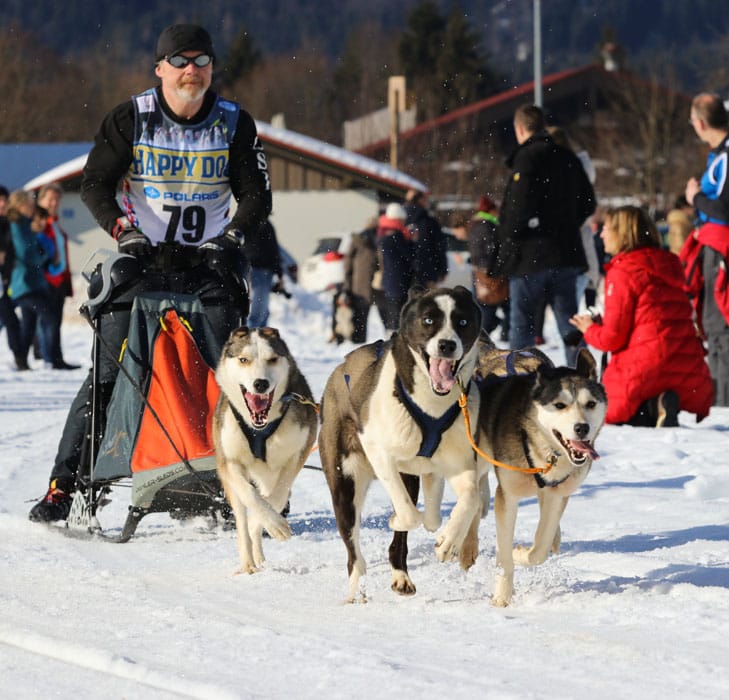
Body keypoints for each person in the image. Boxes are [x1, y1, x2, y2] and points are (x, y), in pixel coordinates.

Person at [29, 24, 272, 522]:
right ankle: (64, 486)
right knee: (108, 374)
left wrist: (232, 237)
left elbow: (257, 195)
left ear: (211, 69)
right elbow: (95, 182)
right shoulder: (131, 118)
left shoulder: (233, 123)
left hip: (207, 263)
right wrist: (122, 230)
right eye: (179, 61)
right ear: (160, 68)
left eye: (201, 61)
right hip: (142, 262)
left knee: (237, 376)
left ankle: (248, 487)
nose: (191, 71)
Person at [570, 205, 712, 427]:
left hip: (644, 367)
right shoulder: (670, 264)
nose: (602, 234)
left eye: (607, 228)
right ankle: (664, 402)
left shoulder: (624, 271)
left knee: (605, 413)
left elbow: (612, 338)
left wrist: (589, 329)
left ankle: (653, 408)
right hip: (685, 365)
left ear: (622, 233)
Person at [493, 104, 596, 365]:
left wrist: (510, 236)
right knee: (569, 325)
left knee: (523, 325)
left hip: (530, 256)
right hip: (566, 254)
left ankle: (521, 381)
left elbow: (515, 210)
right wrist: (567, 225)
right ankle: (580, 376)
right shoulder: (568, 158)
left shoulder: (527, 158)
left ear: (519, 129)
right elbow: (588, 204)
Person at [683, 93, 729, 406]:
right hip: (714, 244)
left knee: (718, 326)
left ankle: (724, 404)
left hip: (721, 246)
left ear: (700, 123)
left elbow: (725, 209)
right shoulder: (719, 155)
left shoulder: (725, 156)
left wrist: (695, 197)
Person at [6, 191, 57, 369]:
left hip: (34, 282)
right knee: (49, 316)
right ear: (19, 205)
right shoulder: (16, 225)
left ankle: (21, 360)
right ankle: (52, 358)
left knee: (29, 323)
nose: (32, 207)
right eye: (29, 204)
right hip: (24, 284)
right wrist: (43, 256)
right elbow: (26, 254)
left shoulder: (26, 224)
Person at [35, 183, 79, 369]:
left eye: (57, 199)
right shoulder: (38, 224)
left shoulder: (54, 222)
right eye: (50, 199)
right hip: (46, 279)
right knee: (48, 320)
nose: (54, 203)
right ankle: (51, 358)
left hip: (59, 278)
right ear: (41, 200)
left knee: (54, 320)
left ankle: (52, 355)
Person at [466, 194, 509, 340]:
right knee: (491, 307)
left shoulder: (474, 225)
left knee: (484, 306)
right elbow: (493, 250)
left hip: (479, 272)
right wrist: (495, 269)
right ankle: (484, 336)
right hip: (490, 273)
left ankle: (485, 334)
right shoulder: (488, 226)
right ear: (490, 210)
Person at [373, 202, 413, 333]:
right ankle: (394, 341)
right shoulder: (397, 236)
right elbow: (410, 256)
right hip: (398, 280)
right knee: (398, 315)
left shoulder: (382, 234)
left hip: (389, 280)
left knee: (392, 313)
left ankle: (390, 335)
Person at [0, 185, 27, 370]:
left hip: (9, 278)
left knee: (11, 320)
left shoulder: (13, 223)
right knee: (10, 319)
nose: (2, 203)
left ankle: (20, 357)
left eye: (4, 200)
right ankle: (20, 357)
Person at [343, 216, 378, 343]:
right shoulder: (375, 239)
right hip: (368, 284)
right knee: (362, 316)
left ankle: (357, 340)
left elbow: (348, 264)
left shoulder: (358, 239)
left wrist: (347, 284)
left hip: (358, 285)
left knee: (359, 317)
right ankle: (358, 340)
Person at [404, 189, 447, 289]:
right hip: (428, 270)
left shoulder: (400, 220)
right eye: (426, 199)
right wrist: (442, 269)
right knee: (428, 301)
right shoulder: (429, 222)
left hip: (404, 272)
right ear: (420, 200)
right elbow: (440, 246)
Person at [244, 218, 282, 328]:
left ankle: (258, 330)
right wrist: (280, 273)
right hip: (260, 269)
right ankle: (254, 331)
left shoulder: (251, 223)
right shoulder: (262, 225)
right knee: (260, 306)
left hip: (260, 269)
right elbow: (273, 250)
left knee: (261, 307)